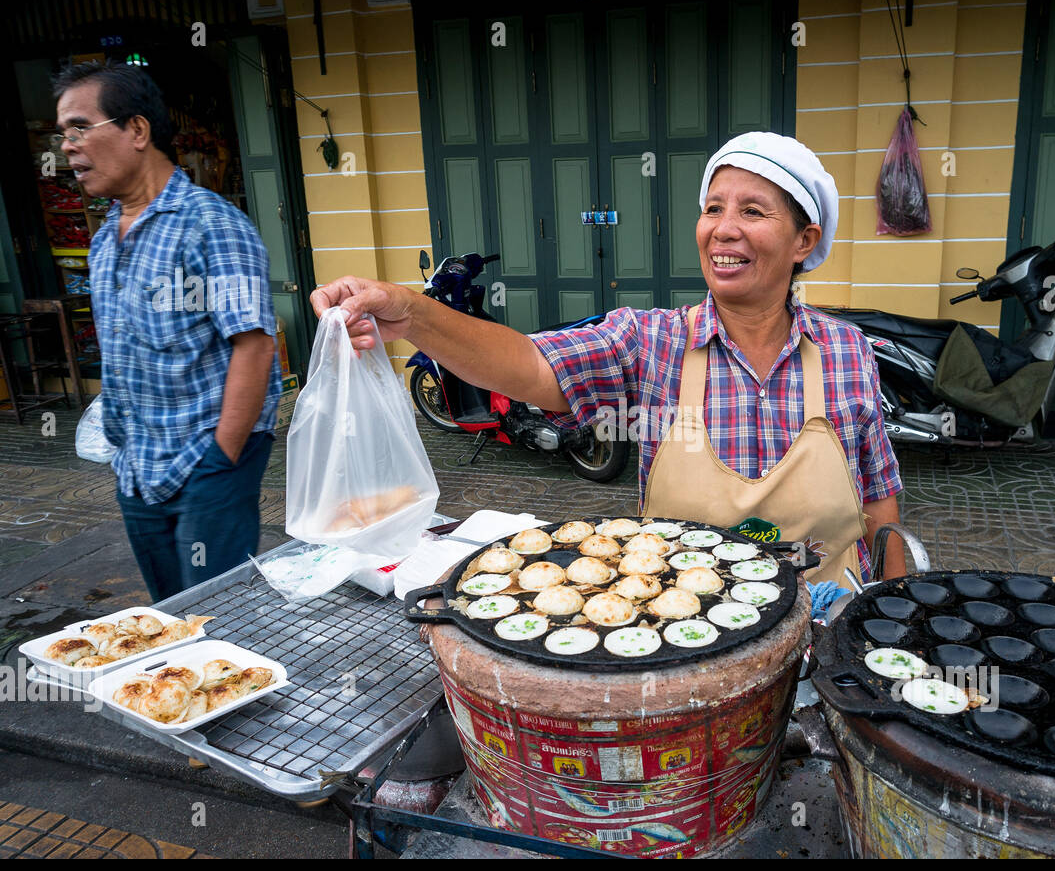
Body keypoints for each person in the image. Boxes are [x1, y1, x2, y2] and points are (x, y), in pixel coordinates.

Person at [310, 132, 904, 585]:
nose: (723, 230)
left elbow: (879, 504)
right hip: (684, 644)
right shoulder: (650, 344)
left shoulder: (847, 353)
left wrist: (899, 620)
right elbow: (526, 363)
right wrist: (412, 314)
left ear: (804, 240)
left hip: (824, 648)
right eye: (713, 208)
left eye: (753, 211)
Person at [55, 61, 280, 602]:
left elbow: (254, 344)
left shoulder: (210, 225)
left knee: (218, 615)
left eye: (80, 127)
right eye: (61, 134)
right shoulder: (107, 235)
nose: (67, 147)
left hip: (205, 465)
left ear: (136, 130)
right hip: (136, 468)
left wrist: (219, 460)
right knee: (166, 614)